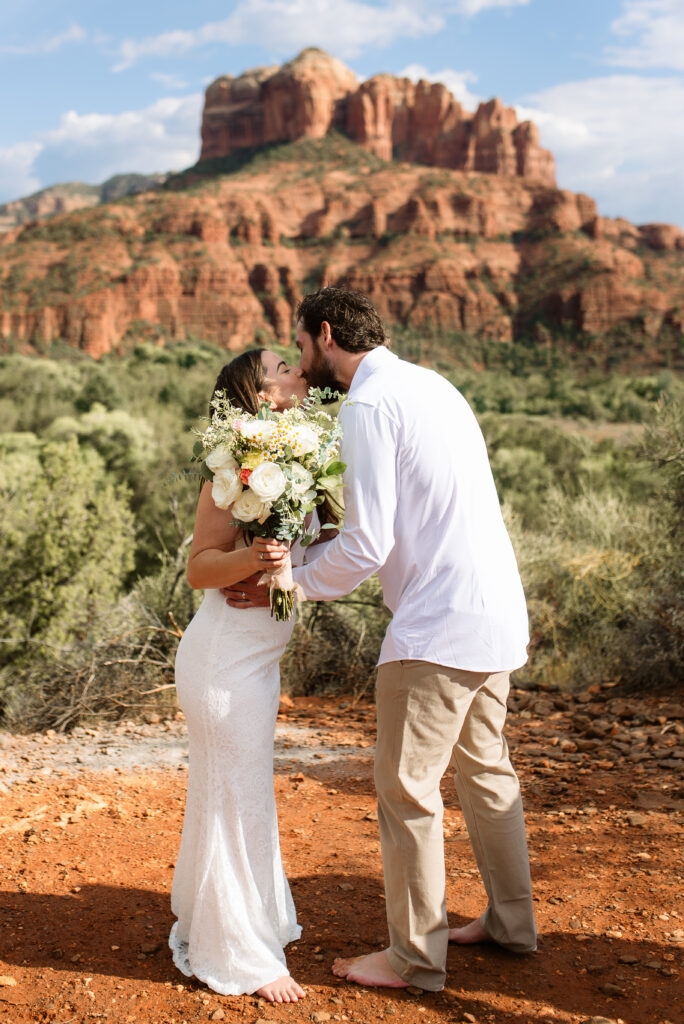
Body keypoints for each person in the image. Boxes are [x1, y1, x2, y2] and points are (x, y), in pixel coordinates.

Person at [223, 287, 537, 993]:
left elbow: (369, 544)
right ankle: (513, 923)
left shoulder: (367, 403)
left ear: (326, 334)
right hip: (493, 609)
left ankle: (414, 959)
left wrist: (291, 579)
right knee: (487, 772)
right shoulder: (434, 384)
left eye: (301, 347)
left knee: (406, 790)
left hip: (437, 625)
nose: (302, 362)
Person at [169, 348, 310, 1002]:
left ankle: (244, 919)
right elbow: (200, 567)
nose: (297, 366)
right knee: (234, 794)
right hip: (224, 657)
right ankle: (240, 955)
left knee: (240, 792)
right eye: (284, 363)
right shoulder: (232, 466)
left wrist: (287, 579)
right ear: (260, 390)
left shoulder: (298, 461)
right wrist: (255, 554)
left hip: (257, 658)